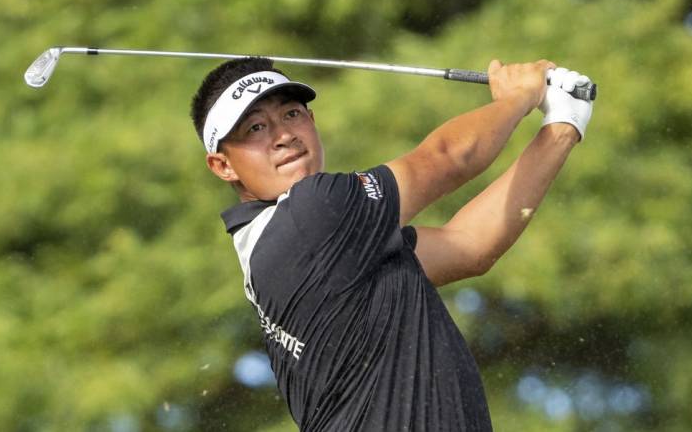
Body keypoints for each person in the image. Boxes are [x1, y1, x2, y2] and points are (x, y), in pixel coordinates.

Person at [190, 57, 593, 431]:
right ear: (222, 165)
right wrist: (521, 95)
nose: (283, 136)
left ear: (312, 120)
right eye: (255, 128)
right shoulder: (312, 212)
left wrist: (563, 124)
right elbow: (450, 156)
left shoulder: (318, 242)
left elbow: (469, 246)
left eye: (291, 114)